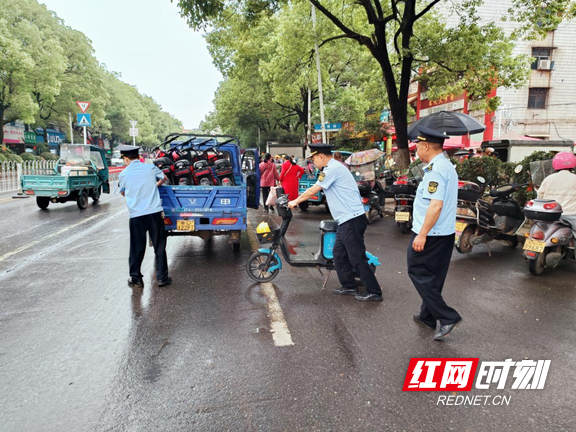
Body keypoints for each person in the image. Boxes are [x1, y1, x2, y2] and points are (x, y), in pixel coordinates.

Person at [288, 144, 383, 302]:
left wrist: (295, 201)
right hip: (345, 219)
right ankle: (349, 285)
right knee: (338, 254)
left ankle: (374, 291)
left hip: (351, 218)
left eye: (313, 159)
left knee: (356, 257)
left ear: (321, 156)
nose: (313, 162)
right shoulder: (330, 168)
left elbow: (313, 190)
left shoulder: (332, 169)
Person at [407, 127, 461, 341]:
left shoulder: (436, 170)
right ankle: (427, 316)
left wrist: (422, 234)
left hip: (431, 234)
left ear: (426, 146)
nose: (417, 150)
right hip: (444, 233)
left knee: (417, 270)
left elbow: (435, 206)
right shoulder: (445, 166)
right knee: (434, 277)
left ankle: (447, 317)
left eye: (418, 146)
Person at [118, 144, 171, 288]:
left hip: (137, 215)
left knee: (137, 247)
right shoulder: (149, 168)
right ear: (138, 156)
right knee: (159, 246)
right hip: (154, 213)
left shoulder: (124, 174)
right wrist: (155, 186)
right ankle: (162, 278)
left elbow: (122, 192)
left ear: (126, 158)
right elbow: (164, 177)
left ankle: (136, 278)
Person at [537, 152, 576, 239]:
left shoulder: (549, 178)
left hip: (549, 214)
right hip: (571, 215)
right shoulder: (575, 178)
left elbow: (539, 196)